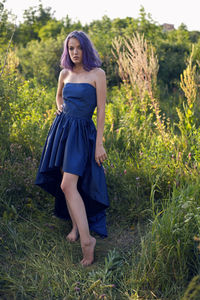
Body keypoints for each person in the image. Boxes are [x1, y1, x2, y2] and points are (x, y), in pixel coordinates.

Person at [35, 31, 109, 266]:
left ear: (86, 49)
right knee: (66, 181)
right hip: (62, 129)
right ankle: (76, 227)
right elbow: (58, 97)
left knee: (68, 184)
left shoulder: (97, 74)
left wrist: (99, 144)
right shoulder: (64, 73)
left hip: (81, 134)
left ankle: (87, 242)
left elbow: (101, 112)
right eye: (70, 48)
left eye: (78, 48)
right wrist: (60, 107)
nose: (74, 52)